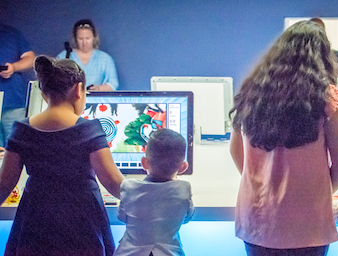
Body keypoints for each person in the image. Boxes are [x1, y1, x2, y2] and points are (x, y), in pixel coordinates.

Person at [229, 20, 338, 255]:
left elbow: (236, 152)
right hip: (307, 224)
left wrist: (260, 183)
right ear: (323, 56)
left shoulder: (251, 93)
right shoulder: (327, 98)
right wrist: (316, 192)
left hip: (257, 219)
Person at [0, 55, 124, 255]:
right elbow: (113, 182)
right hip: (83, 221)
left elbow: (4, 185)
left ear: (43, 92)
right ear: (78, 90)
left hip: (35, 218)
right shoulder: (89, 129)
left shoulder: (21, 129)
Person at [114, 129, 194, 256]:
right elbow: (187, 217)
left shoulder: (128, 187)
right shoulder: (184, 188)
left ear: (144, 163)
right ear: (183, 167)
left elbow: (121, 216)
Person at [0, 22, 36, 147]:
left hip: (13, 101)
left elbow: (30, 59)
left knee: (17, 146)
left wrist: (13, 67)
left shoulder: (11, 32)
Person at [57, 19, 119, 91]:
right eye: (81, 39)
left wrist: (99, 88)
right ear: (75, 39)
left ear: (94, 37)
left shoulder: (105, 59)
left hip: (96, 101)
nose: (84, 42)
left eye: (87, 38)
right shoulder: (64, 57)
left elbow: (114, 84)